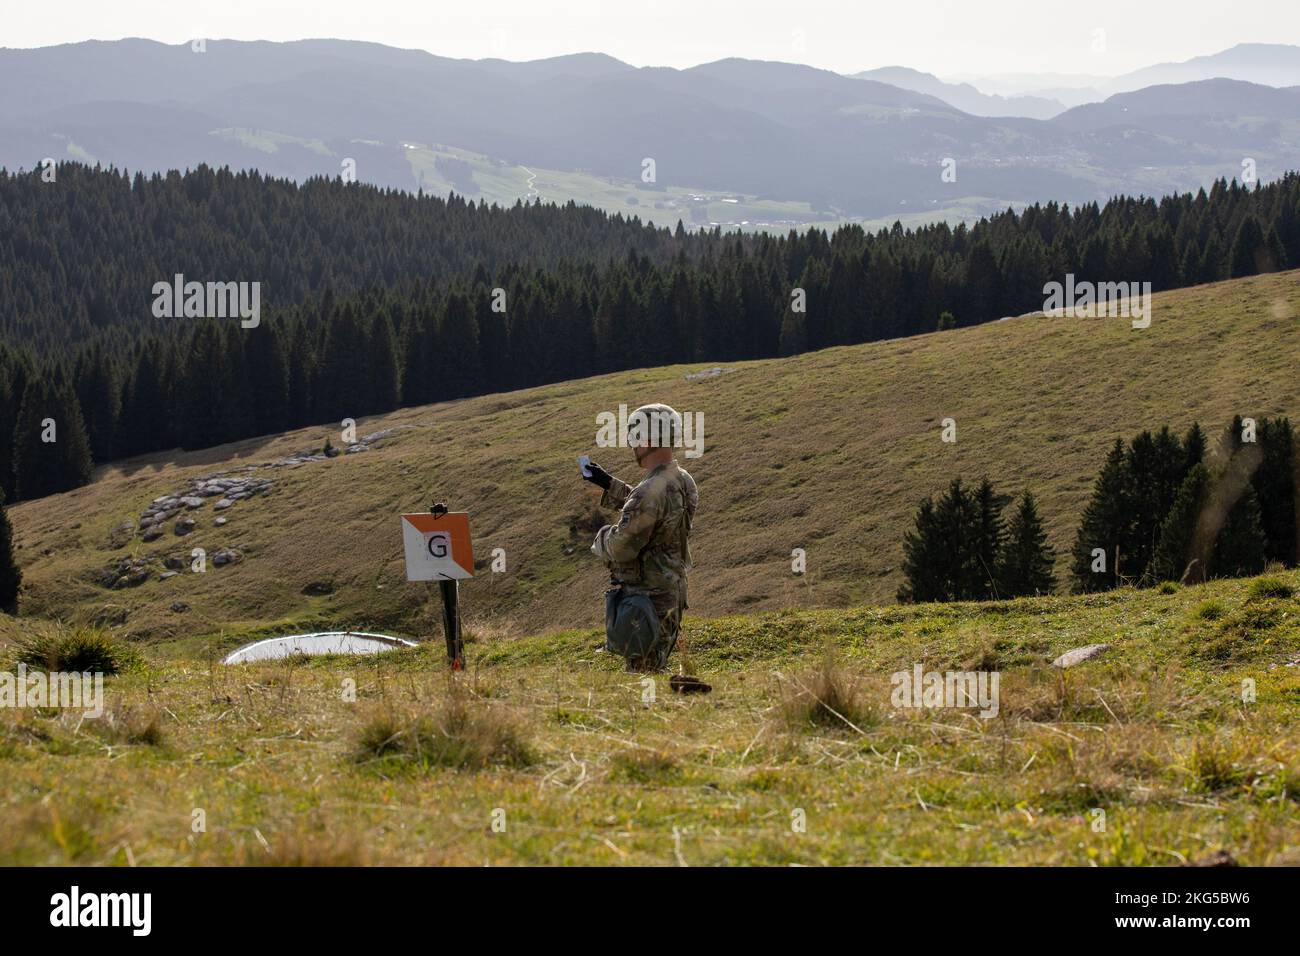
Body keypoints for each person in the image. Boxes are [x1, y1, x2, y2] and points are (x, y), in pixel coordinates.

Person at [582, 403, 698, 672]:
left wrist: (601, 539)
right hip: (671, 591)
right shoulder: (682, 480)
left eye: (636, 438)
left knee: (643, 672)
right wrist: (609, 484)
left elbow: (622, 547)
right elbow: (655, 507)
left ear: (648, 440)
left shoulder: (648, 492)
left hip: (647, 598)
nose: (633, 446)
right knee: (655, 667)